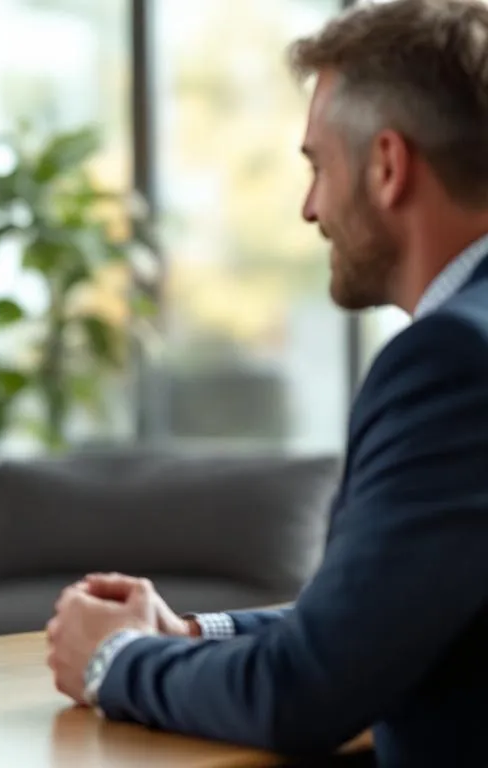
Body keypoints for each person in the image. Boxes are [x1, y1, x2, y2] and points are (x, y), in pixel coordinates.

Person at [45, 1, 488, 765]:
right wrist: (192, 635)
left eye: (319, 165)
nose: (310, 207)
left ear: (387, 166)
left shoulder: (452, 360)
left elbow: (303, 692)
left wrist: (109, 660)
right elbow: (382, 615)